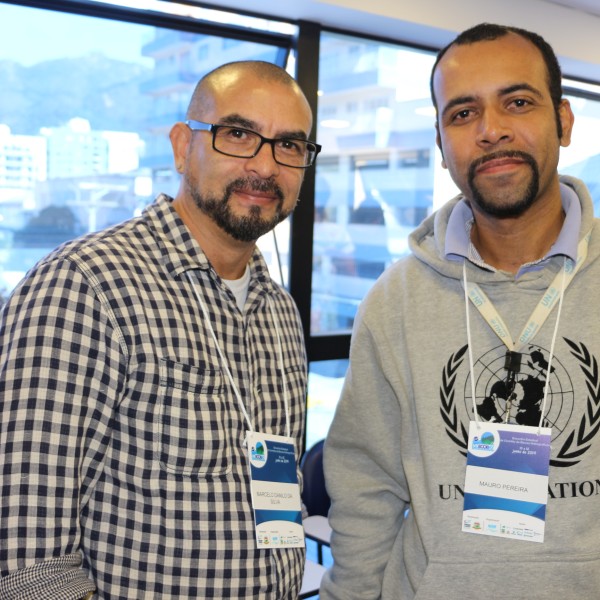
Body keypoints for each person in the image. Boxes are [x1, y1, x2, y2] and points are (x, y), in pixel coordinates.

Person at [0, 60, 320, 599]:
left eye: (289, 145)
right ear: (181, 146)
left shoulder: (280, 311)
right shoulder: (85, 285)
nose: (265, 165)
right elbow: (30, 565)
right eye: (238, 134)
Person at [321, 22, 600, 599]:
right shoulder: (393, 302)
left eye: (517, 102)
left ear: (564, 121)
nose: (492, 131)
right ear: (442, 142)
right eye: (463, 113)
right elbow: (364, 487)